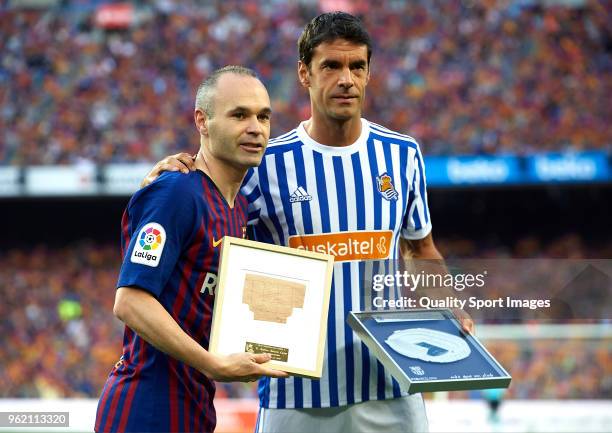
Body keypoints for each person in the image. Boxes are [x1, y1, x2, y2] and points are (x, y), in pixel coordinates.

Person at [146, 12, 474, 433]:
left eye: (357, 66)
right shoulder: (265, 163)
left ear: (369, 73)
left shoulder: (402, 154)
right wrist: (170, 172)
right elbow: (204, 217)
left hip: (391, 388)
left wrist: (448, 304)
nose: (346, 79)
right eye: (331, 66)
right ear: (305, 73)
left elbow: (420, 248)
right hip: (294, 393)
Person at [95, 66, 287, 433]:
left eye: (263, 116)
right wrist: (212, 363)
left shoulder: (239, 209)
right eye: (239, 115)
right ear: (202, 121)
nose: (256, 127)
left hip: (195, 407)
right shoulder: (176, 191)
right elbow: (131, 301)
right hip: (146, 407)